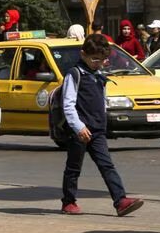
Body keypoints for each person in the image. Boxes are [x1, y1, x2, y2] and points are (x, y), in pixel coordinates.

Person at [60, 34, 144, 217]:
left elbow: (101, 101)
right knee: (74, 167)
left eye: (102, 59)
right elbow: (68, 104)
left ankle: (120, 201)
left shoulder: (99, 76)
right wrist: (78, 127)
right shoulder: (74, 74)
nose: (98, 63)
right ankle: (68, 201)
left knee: (107, 165)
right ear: (83, 54)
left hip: (97, 130)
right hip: (79, 131)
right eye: (94, 59)